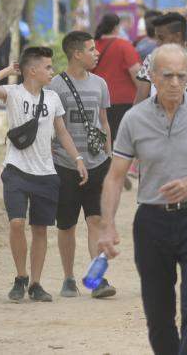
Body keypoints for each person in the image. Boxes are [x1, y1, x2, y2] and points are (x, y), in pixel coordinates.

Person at [97, 44, 187, 355]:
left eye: (181, 75)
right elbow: (115, 176)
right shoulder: (134, 119)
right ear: (151, 76)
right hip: (152, 222)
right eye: (167, 76)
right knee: (159, 316)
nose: (175, 82)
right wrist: (106, 226)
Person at [0, 46, 88, 302]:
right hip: (16, 169)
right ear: (33, 70)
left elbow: (62, 133)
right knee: (16, 223)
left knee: (40, 229)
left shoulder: (52, 98)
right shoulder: (13, 93)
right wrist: (9, 69)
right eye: (48, 67)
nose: (52, 71)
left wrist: (78, 159)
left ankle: (35, 283)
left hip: (46, 172)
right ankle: (20, 276)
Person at [48, 31, 117, 299]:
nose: (97, 53)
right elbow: (56, 129)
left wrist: (109, 157)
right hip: (65, 166)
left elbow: (104, 122)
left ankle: (97, 279)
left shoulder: (100, 84)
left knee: (96, 221)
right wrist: (72, 159)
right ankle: (68, 278)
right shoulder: (55, 86)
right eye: (91, 49)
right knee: (66, 225)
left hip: (98, 163)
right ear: (77, 54)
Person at [134, 12, 187, 103]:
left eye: (161, 38)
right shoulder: (151, 60)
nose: (157, 43)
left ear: (177, 36)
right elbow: (139, 102)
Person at [93, 13, 142, 143]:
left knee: (104, 139)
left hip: (97, 99)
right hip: (124, 101)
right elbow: (135, 70)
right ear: (116, 28)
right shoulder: (124, 45)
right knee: (125, 140)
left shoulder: (93, 46)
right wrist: (142, 92)